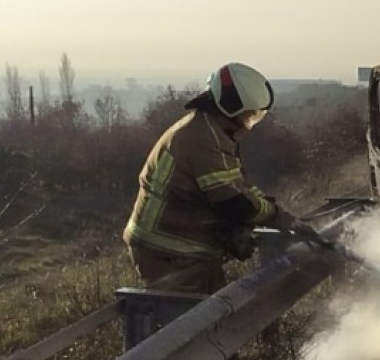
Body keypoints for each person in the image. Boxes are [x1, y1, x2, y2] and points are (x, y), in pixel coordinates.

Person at [123, 62, 316, 292]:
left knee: (215, 316)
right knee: (193, 322)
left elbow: (239, 187)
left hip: (183, 249)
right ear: (231, 107)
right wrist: (276, 217)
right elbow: (233, 203)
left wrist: (283, 217)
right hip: (167, 251)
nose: (251, 120)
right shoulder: (202, 138)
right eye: (249, 114)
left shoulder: (215, 132)